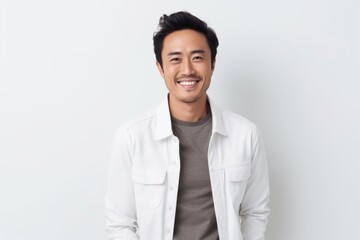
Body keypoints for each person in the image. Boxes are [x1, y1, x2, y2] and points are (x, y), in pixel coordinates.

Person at [105, 11, 270, 240]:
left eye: (197, 57)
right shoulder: (132, 137)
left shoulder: (246, 135)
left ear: (212, 64)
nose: (187, 70)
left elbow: (255, 213)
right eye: (175, 59)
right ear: (160, 67)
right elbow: (120, 224)